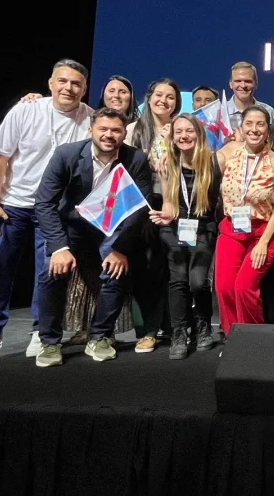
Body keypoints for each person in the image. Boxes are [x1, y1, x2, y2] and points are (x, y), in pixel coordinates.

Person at [0, 59, 94, 362]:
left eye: (76, 83)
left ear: (85, 88)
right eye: (62, 81)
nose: (69, 88)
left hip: (56, 210)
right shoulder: (27, 110)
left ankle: (41, 331)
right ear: (50, 83)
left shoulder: (90, 118)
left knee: (49, 273)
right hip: (15, 204)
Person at [33, 108, 153, 367]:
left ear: (124, 133)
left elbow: (141, 206)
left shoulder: (136, 159)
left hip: (111, 229)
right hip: (73, 226)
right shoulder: (67, 154)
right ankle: (49, 342)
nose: (109, 135)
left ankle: (99, 337)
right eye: (103, 129)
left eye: (116, 130)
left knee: (116, 270)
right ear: (91, 130)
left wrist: (120, 247)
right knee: (50, 272)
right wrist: (58, 246)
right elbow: (44, 203)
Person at [149, 114, 222, 359]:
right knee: (178, 279)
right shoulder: (167, 163)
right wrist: (167, 216)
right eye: (178, 132)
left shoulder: (214, 161)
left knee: (198, 281)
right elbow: (169, 203)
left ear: (199, 134)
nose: (183, 136)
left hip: (203, 227)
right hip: (173, 227)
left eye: (189, 131)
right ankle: (179, 332)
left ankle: (203, 325)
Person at [215, 107, 274, 337]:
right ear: (241, 127)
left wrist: (264, 243)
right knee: (224, 287)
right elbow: (195, 158)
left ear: (268, 129)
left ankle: (252, 340)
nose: (254, 129)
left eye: (260, 124)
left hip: (264, 233)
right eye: (249, 124)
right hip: (231, 230)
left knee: (244, 287)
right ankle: (233, 338)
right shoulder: (228, 153)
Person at [126, 78, 182, 354]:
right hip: (140, 204)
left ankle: (173, 327)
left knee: (170, 266)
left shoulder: (181, 129)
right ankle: (146, 330)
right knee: (144, 267)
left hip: (174, 202)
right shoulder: (133, 130)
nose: (164, 100)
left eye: (170, 97)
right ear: (148, 98)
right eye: (159, 95)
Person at [226, 62, 274, 129]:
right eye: (238, 81)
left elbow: (272, 138)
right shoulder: (220, 112)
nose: (243, 85)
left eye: (248, 81)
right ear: (231, 84)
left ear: (256, 84)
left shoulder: (268, 111)